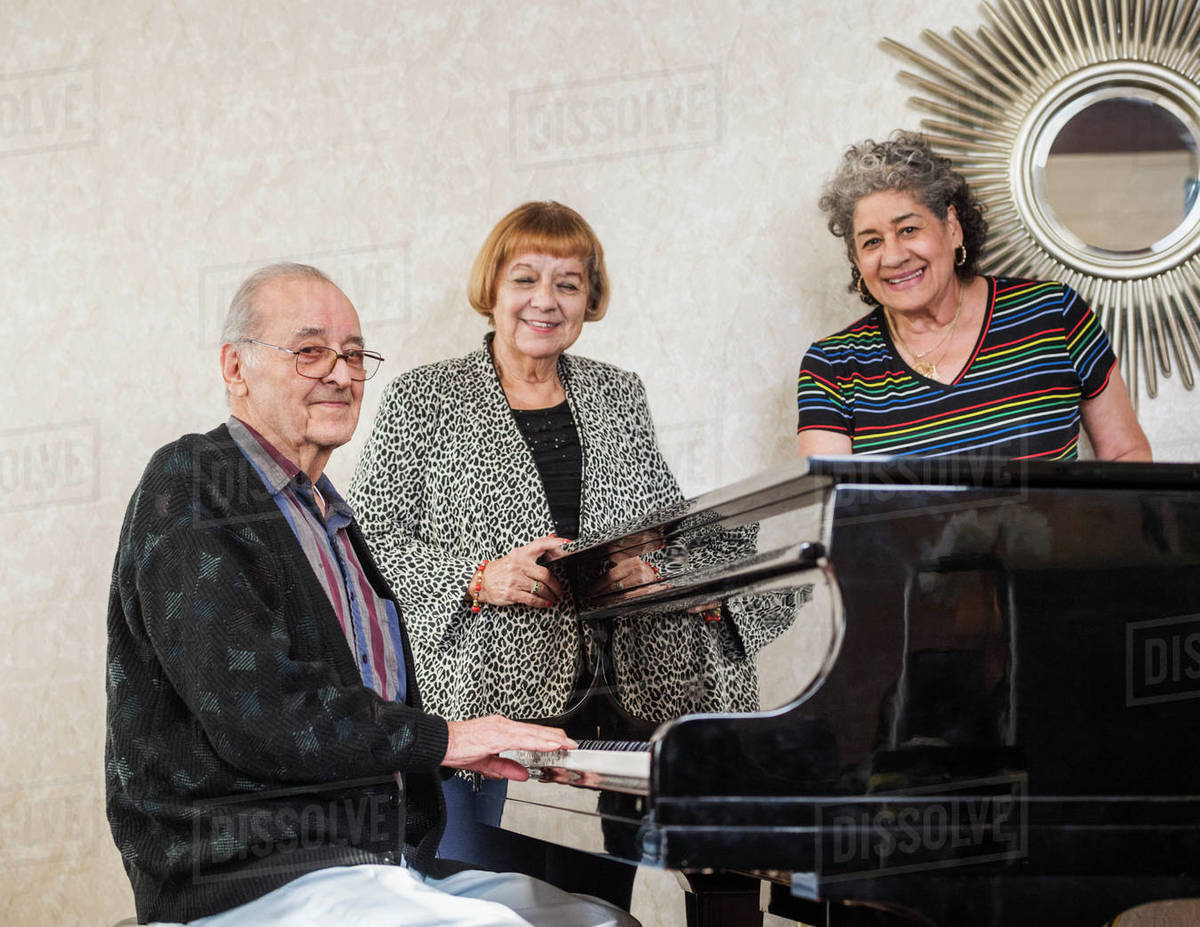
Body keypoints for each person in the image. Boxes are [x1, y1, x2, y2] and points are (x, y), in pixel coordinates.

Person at [104, 262, 638, 927]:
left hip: (373, 863)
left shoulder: (333, 518)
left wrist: (519, 749)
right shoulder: (195, 481)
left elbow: (364, 716)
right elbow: (261, 715)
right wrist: (446, 736)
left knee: (603, 920)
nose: (340, 372)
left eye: (354, 355)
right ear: (235, 369)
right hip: (247, 875)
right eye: (309, 352)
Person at [349, 202, 782, 878]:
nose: (544, 301)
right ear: (492, 289)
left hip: (619, 709)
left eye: (567, 283)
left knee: (599, 904)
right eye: (525, 279)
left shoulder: (619, 394)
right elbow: (367, 541)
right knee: (463, 897)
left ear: (589, 298)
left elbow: (664, 522)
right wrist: (479, 576)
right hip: (478, 707)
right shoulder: (421, 398)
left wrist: (665, 566)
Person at [796, 131, 1152, 461]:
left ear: (951, 227)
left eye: (908, 229)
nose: (893, 256)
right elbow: (831, 506)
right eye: (872, 241)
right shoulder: (833, 367)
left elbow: (1125, 453)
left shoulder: (1053, 314)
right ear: (857, 260)